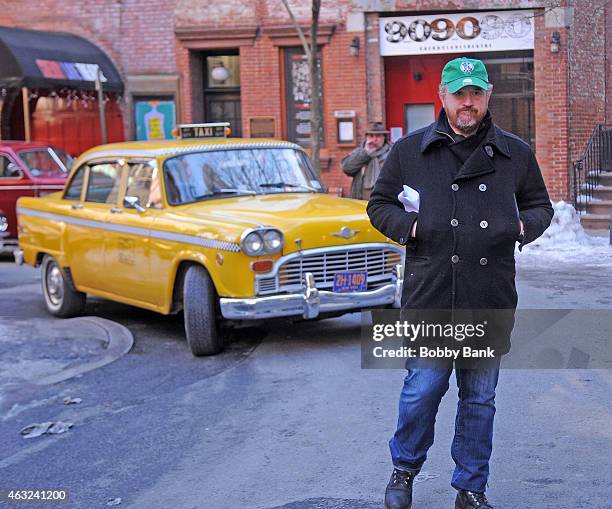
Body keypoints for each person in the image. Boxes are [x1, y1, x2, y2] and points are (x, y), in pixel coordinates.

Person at [367, 57, 553, 509]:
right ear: (443, 98)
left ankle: (470, 487)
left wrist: (519, 228)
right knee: (422, 390)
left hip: (487, 295)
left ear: (488, 96)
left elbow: (539, 206)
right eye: (459, 94)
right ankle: (404, 469)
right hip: (431, 292)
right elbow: (378, 204)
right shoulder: (410, 151)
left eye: (476, 93)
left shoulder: (515, 152)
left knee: (479, 400)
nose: (467, 102)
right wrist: (410, 227)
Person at [341, 121, 392, 200]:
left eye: (378, 136)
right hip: (361, 202)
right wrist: (366, 153)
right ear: (366, 138)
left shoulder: (392, 152)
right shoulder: (359, 152)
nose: (374, 139)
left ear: (384, 137)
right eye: (371, 136)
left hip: (386, 202)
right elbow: (346, 168)